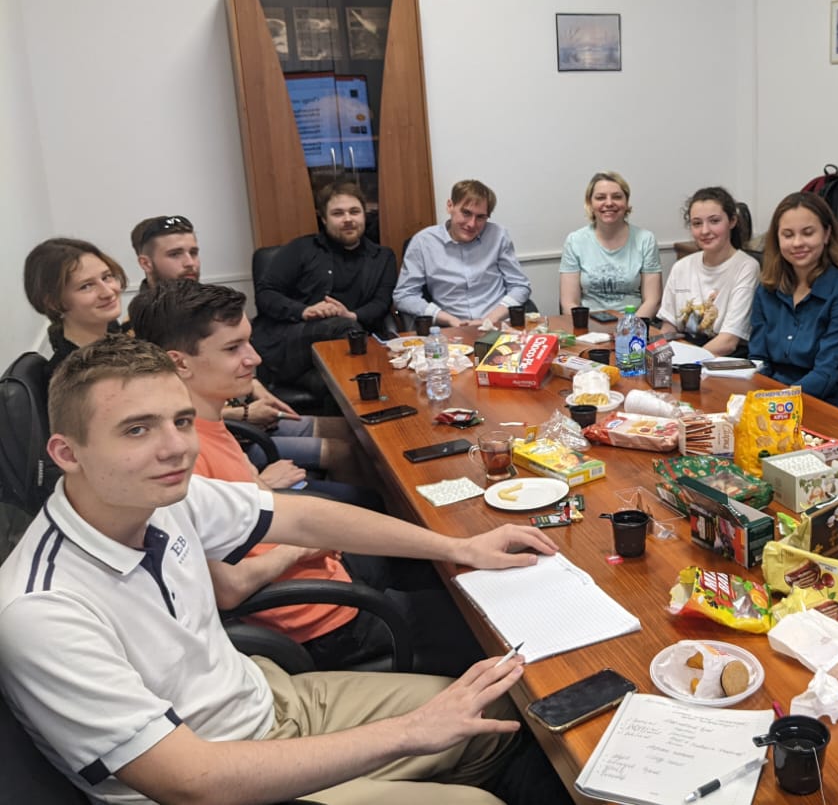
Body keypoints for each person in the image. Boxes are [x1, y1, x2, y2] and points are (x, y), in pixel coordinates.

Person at [0, 333, 568, 805]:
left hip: (264, 699)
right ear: (66, 453)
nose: (177, 449)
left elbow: (302, 517)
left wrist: (460, 548)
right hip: (217, 778)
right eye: (137, 429)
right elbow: (190, 782)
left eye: (181, 420)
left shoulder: (159, 496)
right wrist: (410, 734)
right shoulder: (43, 608)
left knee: (495, 710)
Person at [129, 279, 478, 673]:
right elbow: (228, 588)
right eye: (233, 349)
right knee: (474, 621)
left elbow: (262, 504)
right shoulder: (181, 459)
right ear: (179, 363)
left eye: (248, 342)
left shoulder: (207, 421)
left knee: (445, 566)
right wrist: (300, 549)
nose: (254, 358)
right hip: (324, 624)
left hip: (331, 578)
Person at [129, 214, 367, 490]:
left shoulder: (204, 302)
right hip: (237, 431)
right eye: (175, 254)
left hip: (239, 421)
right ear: (146, 263)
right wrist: (244, 416)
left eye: (193, 252)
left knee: (357, 431)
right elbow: (173, 411)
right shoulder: (142, 329)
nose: (190, 262)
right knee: (342, 452)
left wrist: (256, 388)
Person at [251, 180, 396, 387]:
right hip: (295, 338)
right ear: (324, 219)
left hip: (348, 344)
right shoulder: (301, 249)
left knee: (333, 381)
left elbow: (381, 302)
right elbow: (265, 293)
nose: (348, 219)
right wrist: (304, 311)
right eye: (338, 213)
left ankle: (321, 386)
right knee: (347, 331)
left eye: (354, 212)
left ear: (364, 215)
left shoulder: (383, 257)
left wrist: (352, 315)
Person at [748, 192, 838, 403]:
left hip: (827, 401)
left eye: (808, 233)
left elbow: (826, 372)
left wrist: (778, 402)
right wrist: (761, 399)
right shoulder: (767, 289)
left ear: (827, 234)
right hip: (774, 396)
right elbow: (758, 359)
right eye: (788, 235)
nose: (797, 243)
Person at [393, 180, 532, 327]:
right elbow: (404, 296)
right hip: (450, 329)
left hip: (498, 325)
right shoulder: (423, 242)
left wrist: (490, 319)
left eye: (480, 217)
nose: (472, 224)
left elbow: (520, 286)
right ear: (450, 206)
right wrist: (446, 318)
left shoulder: (498, 235)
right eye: (466, 213)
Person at [657, 187, 757, 356]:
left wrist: (687, 362)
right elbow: (669, 327)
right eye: (697, 223)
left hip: (721, 359)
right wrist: (659, 356)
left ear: (732, 221)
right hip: (684, 354)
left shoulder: (746, 267)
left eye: (714, 221)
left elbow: (728, 342)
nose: (705, 231)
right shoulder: (681, 267)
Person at [559, 171, 661, 316]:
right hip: (588, 324)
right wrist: (587, 327)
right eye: (600, 197)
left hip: (633, 322)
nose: (609, 203)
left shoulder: (645, 240)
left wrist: (629, 326)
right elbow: (569, 303)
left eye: (617, 197)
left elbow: (652, 300)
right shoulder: (575, 241)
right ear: (590, 203)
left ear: (626, 202)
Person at [23, 238, 127, 374]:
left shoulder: (112, 333)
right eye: (86, 286)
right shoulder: (72, 376)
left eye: (106, 277)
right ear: (53, 303)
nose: (108, 292)